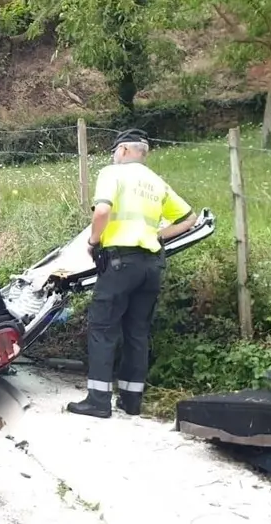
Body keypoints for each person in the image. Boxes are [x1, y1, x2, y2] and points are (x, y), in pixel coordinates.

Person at [67, 129, 198, 419]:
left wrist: (93, 242)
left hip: (120, 262)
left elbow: (102, 211)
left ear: (124, 150)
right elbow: (189, 218)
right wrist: (158, 235)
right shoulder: (156, 182)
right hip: (152, 265)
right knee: (137, 331)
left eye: (115, 151)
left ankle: (98, 400)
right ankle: (131, 401)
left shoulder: (113, 173)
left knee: (103, 327)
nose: (114, 156)